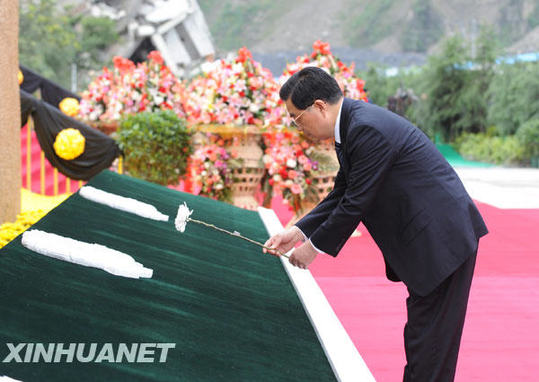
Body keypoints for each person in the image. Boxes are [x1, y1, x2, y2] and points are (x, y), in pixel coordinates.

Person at [263, 67, 488, 381]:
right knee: (424, 341)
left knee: (430, 347)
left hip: (441, 241)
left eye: (296, 117)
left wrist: (311, 249)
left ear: (319, 106)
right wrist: (297, 231)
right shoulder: (352, 126)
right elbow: (341, 191)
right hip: (429, 241)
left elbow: (357, 200)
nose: (296, 126)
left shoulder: (366, 129)